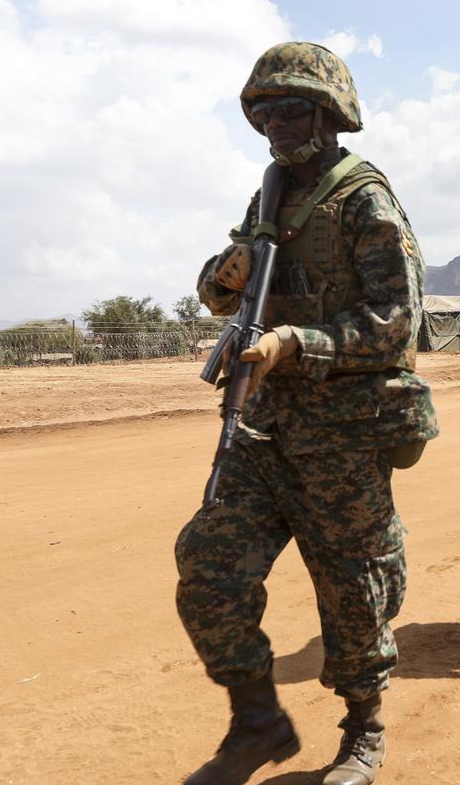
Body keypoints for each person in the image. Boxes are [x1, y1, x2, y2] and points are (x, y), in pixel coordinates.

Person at [175, 42, 437, 785]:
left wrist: (298, 341)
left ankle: (363, 730)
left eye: (291, 109)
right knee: (208, 567)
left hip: (344, 434)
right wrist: (223, 281)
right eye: (264, 112)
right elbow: (223, 283)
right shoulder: (268, 196)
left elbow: (395, 323)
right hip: (265, 429)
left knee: (354, 591)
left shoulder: (364, 201)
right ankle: (258, 721)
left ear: (330, 114)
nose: (276, 125)